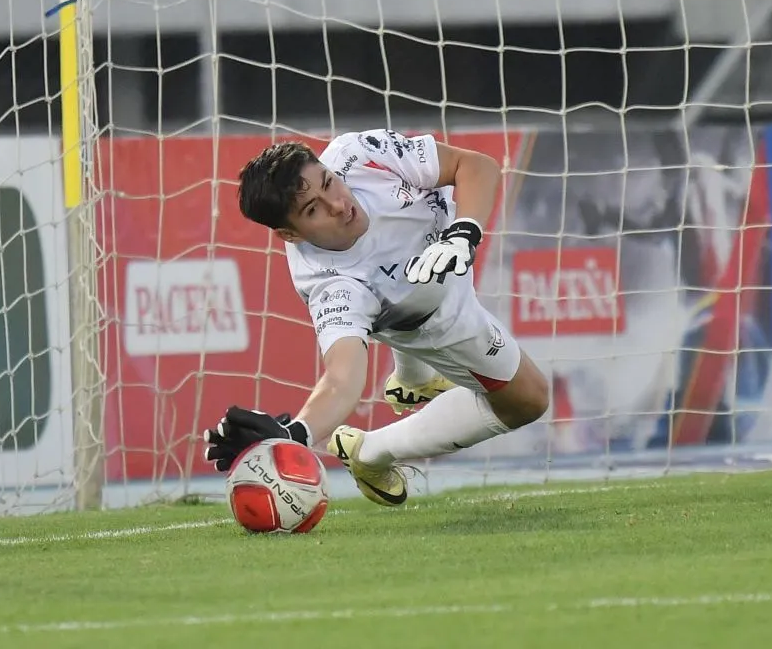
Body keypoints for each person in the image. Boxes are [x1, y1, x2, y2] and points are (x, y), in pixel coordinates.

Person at [202, 128, 550, 506]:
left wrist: (462, 234)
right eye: (313, 210)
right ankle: (370, 452)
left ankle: (412, 380)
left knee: (414, 314)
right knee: (530, 399)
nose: (338, 205)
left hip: (451, 242)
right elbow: (341, 378)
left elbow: (475, 166)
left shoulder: (356, 153)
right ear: (290, 234)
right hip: (433, 318)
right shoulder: (332, 285)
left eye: (328, 183)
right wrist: (297, 434)